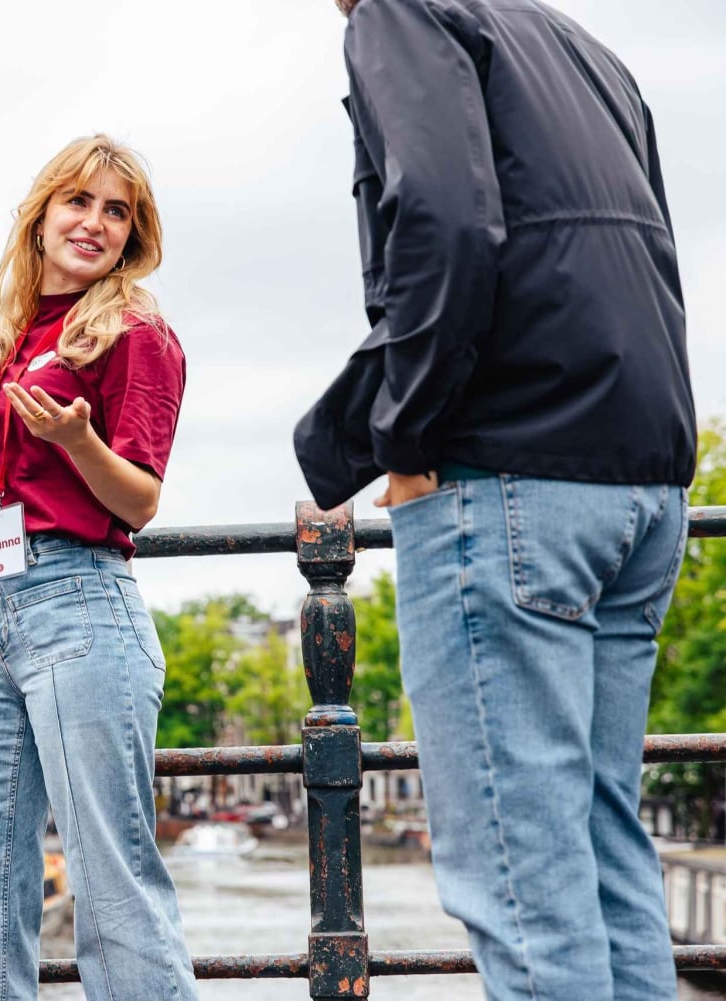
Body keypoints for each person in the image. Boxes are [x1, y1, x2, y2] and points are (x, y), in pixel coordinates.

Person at [295, 2, 695, 998]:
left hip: (508, 477)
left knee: (522, 888)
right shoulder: (581, 45)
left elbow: (440, 213)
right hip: (642, 473)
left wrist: (407, 431)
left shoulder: (400, 12)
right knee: (606, 854)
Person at [0, 134, 196, 1001]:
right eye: (78, 202)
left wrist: (78, 441)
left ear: (133, 234)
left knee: (111, 886)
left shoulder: (135, 332)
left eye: (116, 211)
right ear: (42, 218)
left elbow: (140, 500)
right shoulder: (20, 335)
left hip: (79, 602)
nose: (95, 222)